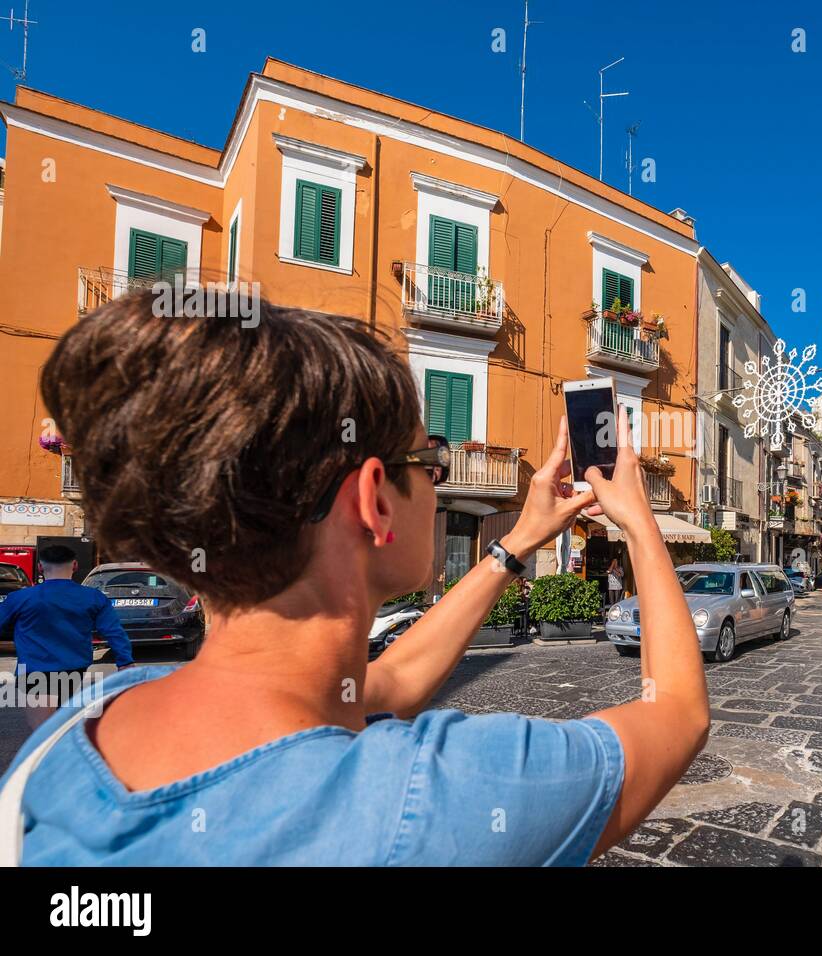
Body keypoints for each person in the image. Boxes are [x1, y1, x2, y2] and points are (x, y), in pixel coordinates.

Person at [0, 292, 709, 866]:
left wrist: (517, 542)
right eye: (427, 458)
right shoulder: (433, 797)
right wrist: (639, 525)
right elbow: (677, 715)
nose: (436, 477)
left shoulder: (88, 723)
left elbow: (386, 685)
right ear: (373, 499)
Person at [0, 544, 133, 720]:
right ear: (75, 565)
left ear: (40, 567)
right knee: (62, 727)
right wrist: (125, 662)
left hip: (34, 671)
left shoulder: (19, 598)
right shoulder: (94, 597)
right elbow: (114, 632)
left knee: (44, 735)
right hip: (74, 671)